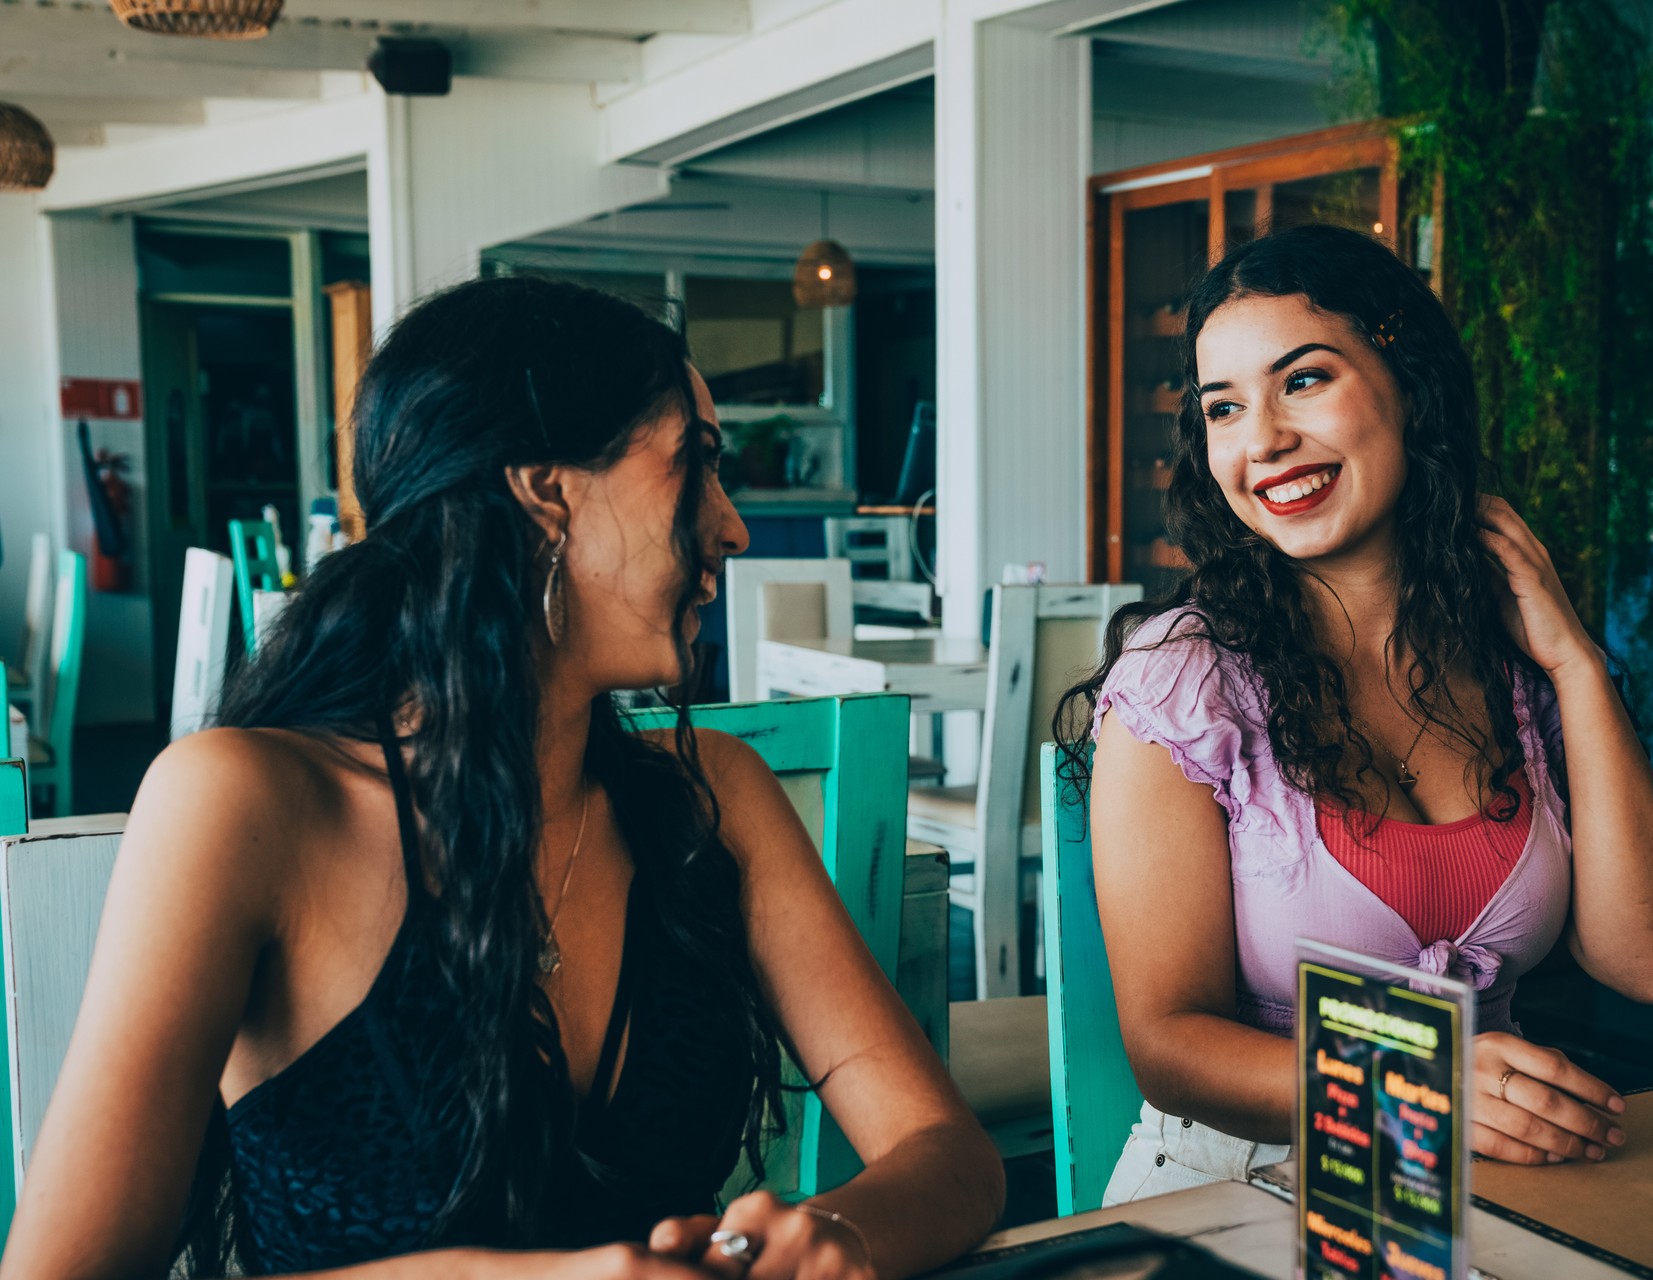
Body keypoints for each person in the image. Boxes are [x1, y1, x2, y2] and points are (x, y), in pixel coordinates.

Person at [2, 277, 1003, 1278]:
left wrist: (837, 1232)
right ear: (547, 489)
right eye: (694, 464)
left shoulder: (715, 800)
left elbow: (949, 1154)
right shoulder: (244, 804)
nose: (733, 528)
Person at [1059, 224, 1653, 1205]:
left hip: (1488, 1189)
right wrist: (1423, 1080)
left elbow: (1652, 961)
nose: (1263, 437)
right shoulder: (1184, 678)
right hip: (1241, 1189)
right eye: (1223, 407)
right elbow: (1168, 1044)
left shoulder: (1515, 664)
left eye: (1304, 380)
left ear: (1410, 382)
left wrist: (1575, 661)